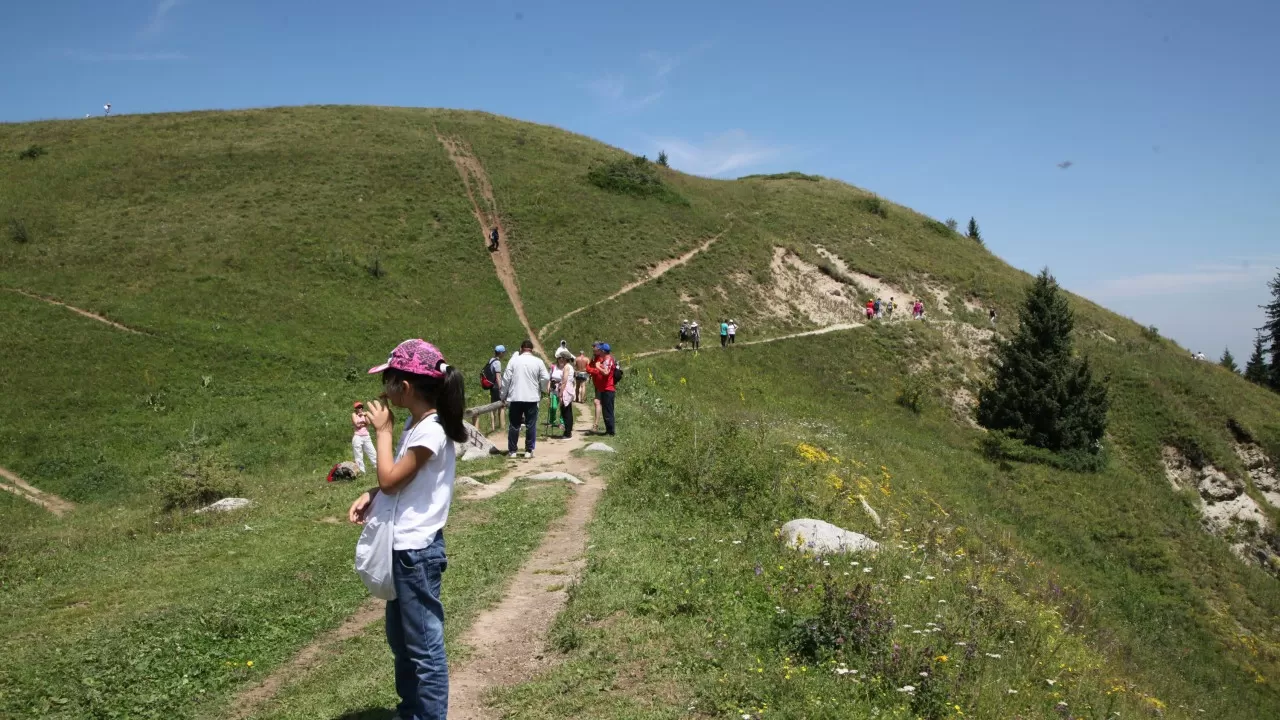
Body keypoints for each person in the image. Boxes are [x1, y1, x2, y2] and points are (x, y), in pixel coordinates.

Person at [347, 338, 466, 720]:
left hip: (416, 553)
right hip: (403, 550)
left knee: (425, 649)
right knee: (402, 643)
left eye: (389, 379)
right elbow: (397, 483)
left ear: (406, 386)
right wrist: (371, 494)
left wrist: (381, 433)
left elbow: (392, 481)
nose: (384, 387)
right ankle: (411, 710)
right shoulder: (417, 425)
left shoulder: (430, 430)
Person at [501, 339, 549, 458]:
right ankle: (529, 450)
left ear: (521, 349)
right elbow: (545, 377)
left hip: (515, 396)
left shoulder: (514, 361)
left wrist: (503, 394)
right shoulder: (538, 361)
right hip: (532, 397)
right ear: (532, 350)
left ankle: (512, 451)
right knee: (530, 424)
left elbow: (506, 378)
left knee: (514, 425)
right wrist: (543, 389)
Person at [586, 342, 617, 435]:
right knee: (606, 410)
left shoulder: (608, 360)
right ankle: (608, 430)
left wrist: (597, 366)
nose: (599, 352)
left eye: (600, 350)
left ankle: (610, 431)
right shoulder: (606, 359)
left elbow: (606, 372)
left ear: (603, 351)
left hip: (608, 388)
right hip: (605, 388)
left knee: (608, 410)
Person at [482, 346, 505, 432]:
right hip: (496, 387)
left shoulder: (491, 360)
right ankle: (501, 427)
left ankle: (493, 427)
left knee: (493, 407)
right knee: (501, 406)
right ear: (501, 353)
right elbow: (498, 377)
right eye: (504, 352)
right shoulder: (497, 362)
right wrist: (501, 388)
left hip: (492, 387)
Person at [553, 352, 577, 438]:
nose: (560, 359)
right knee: (567, 411)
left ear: (565, 358)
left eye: (562, 358)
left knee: (566, 411)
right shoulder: (569, 367)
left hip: (565, 390)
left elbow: (564, 381)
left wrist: (560, 393)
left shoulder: (567, 367)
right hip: (568, 388)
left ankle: (567, 432)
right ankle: (568, 431)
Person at [351, 401, 378, 473]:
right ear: (355, 409)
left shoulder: (365, 414)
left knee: (372, 452)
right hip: (357, 436)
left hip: (366, 436)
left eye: (360, 407)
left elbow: (368, 423)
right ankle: (361, 471)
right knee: (358, 454)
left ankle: (378, 467)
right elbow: (357, 424)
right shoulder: (354, 414)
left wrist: (365, 416)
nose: (359, 408)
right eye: (358, 407)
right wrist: (363, 423)